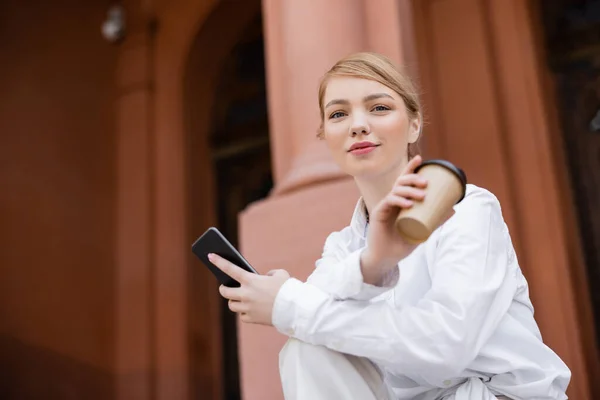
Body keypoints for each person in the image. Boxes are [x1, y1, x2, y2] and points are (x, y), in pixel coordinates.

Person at [209, 52, 571, 399]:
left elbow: (445, 347)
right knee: (307, 350)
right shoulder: (340, 248)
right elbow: (316, 329)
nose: (358, 125)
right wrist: (372, 265)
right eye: (338, 114)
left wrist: (289, 302)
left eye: (379, 107)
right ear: (325, 136)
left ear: (414, 124)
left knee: (309, 326)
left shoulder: (467, 209)